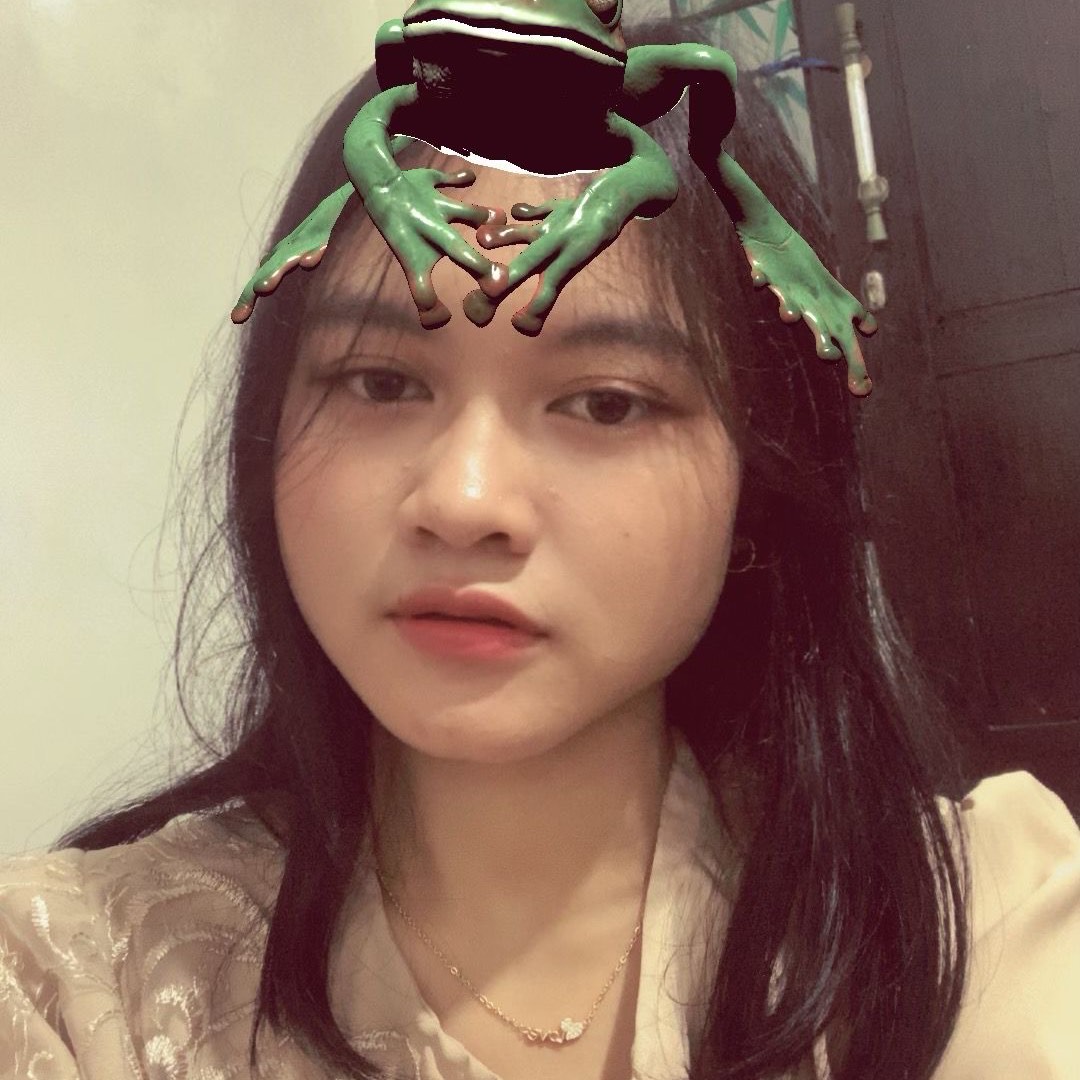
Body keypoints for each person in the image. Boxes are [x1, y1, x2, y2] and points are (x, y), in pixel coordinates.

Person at [2, 16, 1078, 1080]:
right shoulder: (70, 986)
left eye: (607, 402)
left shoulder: (977, 936)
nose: (464, 501)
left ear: (759, 480)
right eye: (381, 382)